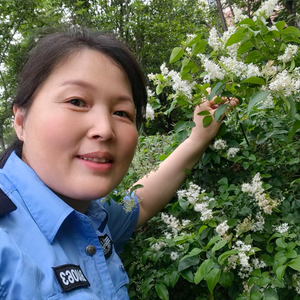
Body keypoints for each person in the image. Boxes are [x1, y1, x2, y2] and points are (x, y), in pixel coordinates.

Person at [0, 28, 238, 300]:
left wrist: (199, 137)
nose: (105, 129)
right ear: (20, 121)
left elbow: (142, 202)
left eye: (121, 113)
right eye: (77, 101)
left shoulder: (92, 217)